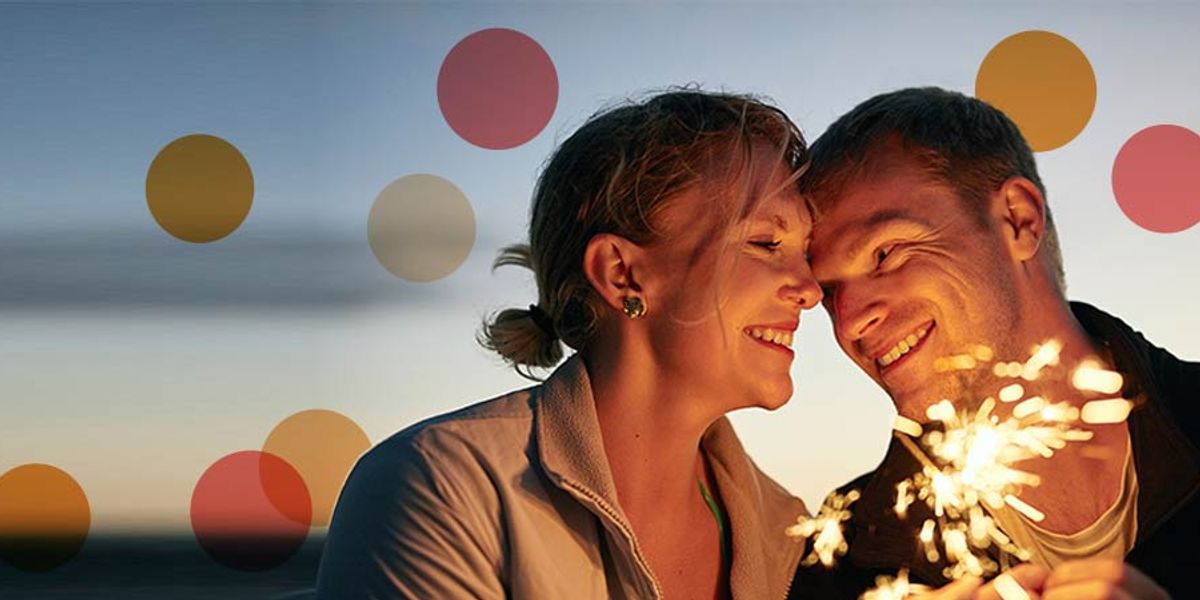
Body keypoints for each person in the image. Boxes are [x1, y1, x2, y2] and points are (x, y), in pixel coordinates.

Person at [315, 90, 826, 599]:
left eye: (805, 252)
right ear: (621, 274)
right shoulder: (444, 487)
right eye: (765, 243)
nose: (810, 289)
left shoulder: (788, 536)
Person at [789, 87, 1192, 598]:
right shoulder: (843, 560)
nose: (850, 322)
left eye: (885, 253)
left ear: (1018, 220)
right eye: (829, 293)